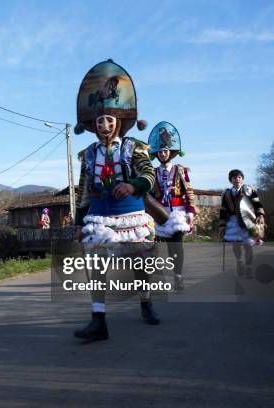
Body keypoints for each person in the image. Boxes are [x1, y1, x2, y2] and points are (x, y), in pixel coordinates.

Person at [72, 59, 159, 343]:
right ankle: (99, 319)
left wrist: (131, 184)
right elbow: (83, 191)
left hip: (131, 215)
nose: (104, 125)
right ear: (94, 125)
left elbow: (149, 175)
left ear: (118, 122)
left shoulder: (134, 148)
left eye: (109, 120)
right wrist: (78, 221)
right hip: (98, 216)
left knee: (139, 265)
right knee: (94, 263)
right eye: (99, 121)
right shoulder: (88, 154)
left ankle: (145, 301)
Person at [148, 121, 196, 291]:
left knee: (176, 245)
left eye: (165, 151)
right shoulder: (152, 173)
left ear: (171, 153)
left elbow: (189, 192)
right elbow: (150, 195)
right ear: (157, 153)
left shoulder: (180, 170)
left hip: (177, 213)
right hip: (160, 213)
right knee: (160, 247)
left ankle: (178, 277)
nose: (162, 154)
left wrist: (190, 212)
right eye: (160, 151)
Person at [219, 169, 265, 278]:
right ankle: (239, 262)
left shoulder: (249, 190)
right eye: (234, 178)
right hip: (233, 222)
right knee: (236, 245)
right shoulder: (226, 193)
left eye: (239, 177)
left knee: (248, 245)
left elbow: (257, 203)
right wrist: (222, 224)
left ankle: (249, 267)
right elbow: (223, 209)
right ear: (231, 180)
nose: (237, 179)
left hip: (248, 220)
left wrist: (260, 215)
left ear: (242, 179)